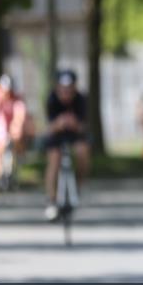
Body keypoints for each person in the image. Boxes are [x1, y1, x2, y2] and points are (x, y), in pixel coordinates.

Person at [44, 69, 89, 221]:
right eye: (63, 91)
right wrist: (59, 123)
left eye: (69, 91)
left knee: (82, 153)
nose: (66, 95)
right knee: (54, 160)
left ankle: (76, 187)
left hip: (75, 133)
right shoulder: (51, 99)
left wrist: (74, 124)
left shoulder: (81, 100)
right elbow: (49, 127)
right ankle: (52, 199)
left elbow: (84, 126)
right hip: (57, 134)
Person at [0, 74, 28, 184]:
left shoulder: (16, 97)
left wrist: (17, 126)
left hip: (12, 123)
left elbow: (20, 112)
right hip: (0, 123)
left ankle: (14, 166)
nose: (7, 93)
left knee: (16, 136)